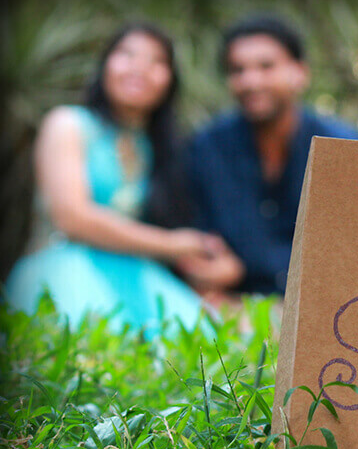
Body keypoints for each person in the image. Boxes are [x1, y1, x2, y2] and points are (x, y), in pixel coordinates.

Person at [3, 23, 242, 336]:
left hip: (137, 272)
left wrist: (206, 258)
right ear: (105, 65)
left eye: (156, 61)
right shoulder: (67, 123)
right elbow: (72, 218)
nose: (139, 68)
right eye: (127, 54)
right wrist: (172, 244)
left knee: (205, 341)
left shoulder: (160, 148)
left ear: (170, 80)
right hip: (65, 267)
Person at [182, 15, 358, 298]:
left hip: (324, 305)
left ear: (300, 73)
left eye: (266, 66)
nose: (251, 81)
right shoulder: (207, 147)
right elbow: (198, 240)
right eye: (238, 70)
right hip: (234, 306)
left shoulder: (344, 148)